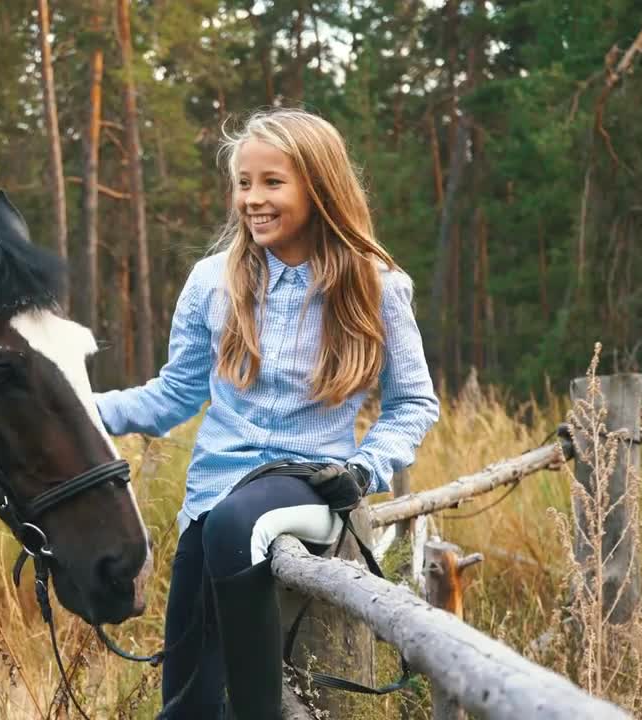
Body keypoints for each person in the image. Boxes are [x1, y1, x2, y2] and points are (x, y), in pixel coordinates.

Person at [93, 108, 440, 719]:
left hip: (310, 481)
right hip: (211, 495)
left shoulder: (375, 285)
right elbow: (173, 394)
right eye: (244, 183)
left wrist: (364, 470)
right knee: (186, 703)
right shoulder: (211, 282)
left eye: (272, 182)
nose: (253, 198)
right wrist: (80, 409)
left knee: (233, 526)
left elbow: (414, 403)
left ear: (319, 186)